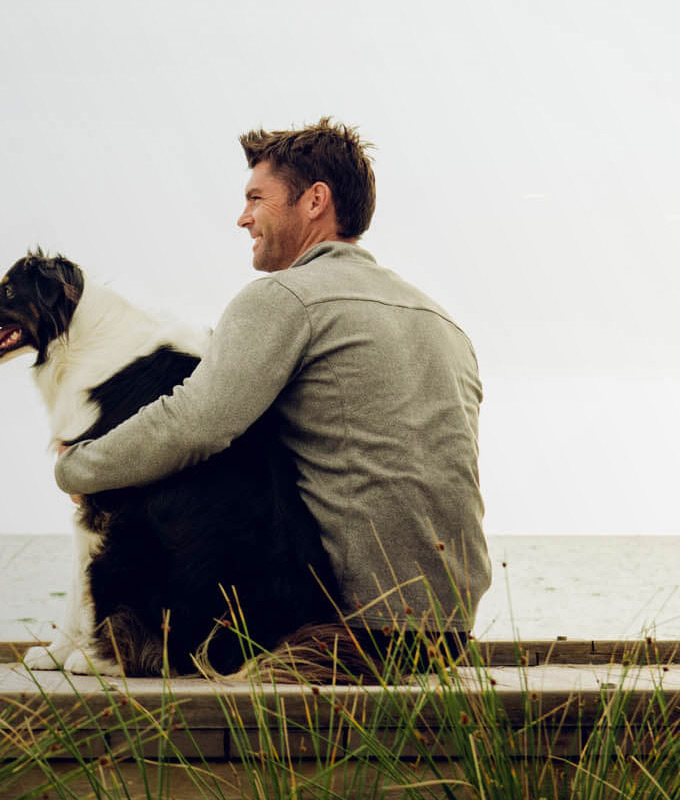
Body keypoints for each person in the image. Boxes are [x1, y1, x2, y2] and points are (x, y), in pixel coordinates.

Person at [53, 118, 490, 676]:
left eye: (256, 198)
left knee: (179, 456)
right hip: (445, 633)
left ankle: (124, 647)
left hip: (341, 629)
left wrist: (81, 467)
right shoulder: (441, 320)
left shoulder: (285, 298)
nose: (243, 217)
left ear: (314, 201)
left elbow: (194, 423)